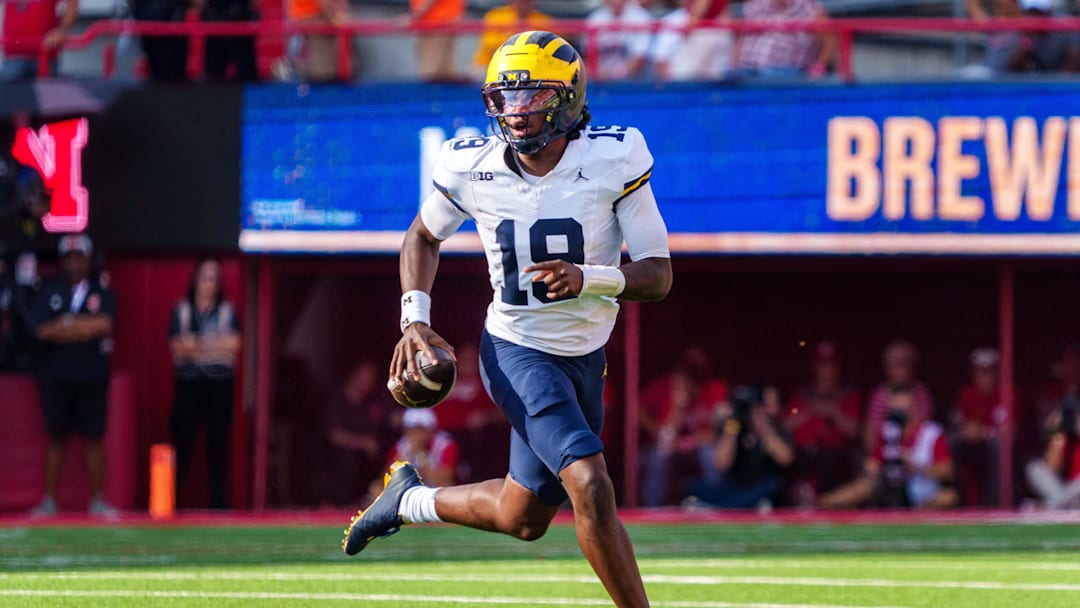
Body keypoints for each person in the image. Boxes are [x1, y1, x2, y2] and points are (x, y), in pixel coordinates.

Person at [343, 31, 672, 608]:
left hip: (584, 356)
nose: (517, 114)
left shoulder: (614, 156)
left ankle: (408, 500)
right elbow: (423, 235)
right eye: (505, 98)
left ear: (568, 98)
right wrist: (413, 318)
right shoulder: (471, 164)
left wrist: (589, 276)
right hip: (517, 349)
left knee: (523, 516)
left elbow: (658, 274)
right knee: (590, 485)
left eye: (532, 97)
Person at [28, 234, 118, 517]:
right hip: (56, 377)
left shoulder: (100, 291)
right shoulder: (50, 290)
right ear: (62, 260)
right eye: (69, 257)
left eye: (79, 257)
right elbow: (41, 330)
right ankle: (50, 501)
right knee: (57, 438)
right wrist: (80, 329)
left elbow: (104, 324)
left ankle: (98, 501)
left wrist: (67, 324)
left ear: (88, 259)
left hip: (92, 376)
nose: (74, 263)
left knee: (94, 438)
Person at [168, 258, 241, 509]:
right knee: (182, 446)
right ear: (195, 280)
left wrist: (195, 344)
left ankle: (219, 507)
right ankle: (171, 503)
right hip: (188, 384)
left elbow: (233, 346)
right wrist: (214, 345)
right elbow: (177, 348)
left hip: (219, 385)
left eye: (213, 278)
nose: (209, 283)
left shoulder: (227, 310)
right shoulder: (182, 309)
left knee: (218, 447)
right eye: (204, 277)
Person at [818, 385, 958, 510]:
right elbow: (872, 464)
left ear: (913, 408)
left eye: (903, 408)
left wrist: (915, 467)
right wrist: (876, 468)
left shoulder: (931, 432)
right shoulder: (888, 432)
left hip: (924, 494)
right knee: (865, 485)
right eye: (895, 409)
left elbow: (947, 471)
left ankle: (917, 514)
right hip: (891, 491)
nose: (899, 413)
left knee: (949, 496)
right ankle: (822, 503)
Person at [638, 344, 728, 506]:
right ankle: (653, 511)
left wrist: (685, 443)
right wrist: (678, 406)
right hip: (667, 447)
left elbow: (716, 433)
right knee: (659, 455)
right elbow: (666, 439)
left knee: (710, 453)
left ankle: (715, 505)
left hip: (697, 446)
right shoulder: (666, 388)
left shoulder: (715, 389)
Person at [684, 385, 794, 509]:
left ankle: (721, 508)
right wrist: (733, 425)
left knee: (773, 486)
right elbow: (722, 463)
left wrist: (764, 429)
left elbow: (786, 459)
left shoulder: (776, 428)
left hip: (759, 489)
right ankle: (734, 507)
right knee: (693, 487)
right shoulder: (733, 426)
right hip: (733, 488)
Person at [782, 340, 860, 504]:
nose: (826, 371)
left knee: (832, 459)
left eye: (830, 365)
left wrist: (834, 411)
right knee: (787, 458)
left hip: (834, 458)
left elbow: (854, 431)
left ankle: (822, 501)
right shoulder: (802, 394)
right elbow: (785, 426)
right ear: (815, 367)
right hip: (802, 455)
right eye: (822, 365)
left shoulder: (847, 395)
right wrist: (808, 412)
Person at [316, 359, 398, 506]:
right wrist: (363, 443)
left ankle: (375, 499)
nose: (366, 383)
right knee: (347, 461)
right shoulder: (337, 400)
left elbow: (391, 418)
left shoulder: (373, 401)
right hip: (337, 453)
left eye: (370, 380)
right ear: (353, 376)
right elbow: (334, 435)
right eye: (362, 378)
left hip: (368, 455)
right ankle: (338, 503)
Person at [951, 347, 1010, 507]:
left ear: (997, 373)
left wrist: (984, 432)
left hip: (996, 449)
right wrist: (969, 431)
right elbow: (961, 425)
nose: (985, 377)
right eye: (981, 372)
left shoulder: (1008, 394)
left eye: (990, 371)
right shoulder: (967, 394)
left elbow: (1010, 430)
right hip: (973, 448)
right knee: (954, 442)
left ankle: (993, 503)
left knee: (999, 445)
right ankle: (958, 500)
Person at [731, 0, 835, 80]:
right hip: (746, 69)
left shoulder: (810, 9)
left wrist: (818, 68)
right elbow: (742, 38)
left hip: (787, 72)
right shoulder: (756, 5)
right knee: (724, 79)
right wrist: (735, 64)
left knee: (771, 78)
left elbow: (830, 40)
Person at [863, 340, 934, 454]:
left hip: (915, 454)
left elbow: (924, 428)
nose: (900, 370)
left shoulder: (921, 392)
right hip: (884, 453)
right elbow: (871, 431)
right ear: (887, 368)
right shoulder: (879, 394)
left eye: (904, 364)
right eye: (895, 364)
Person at [471, 0, 554, 80]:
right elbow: (492, 48)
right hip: (490, 65)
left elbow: (549, 50)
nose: (523, 3)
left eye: (527, 1)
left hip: (530, 68)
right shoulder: (496, 16)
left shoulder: (542, 21)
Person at [0, 0, 79, 82]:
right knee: (12, 93)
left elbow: (72, 3)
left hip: (46, 56)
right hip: (13, 56)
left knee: (47, 93)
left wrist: (62, 31)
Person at [1025, 397, 1080, 509]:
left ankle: (1045, 507)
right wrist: (1058, 432)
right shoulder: (1063, 437)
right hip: (1068, 491)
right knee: (1034, 468)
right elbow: (1051, 468)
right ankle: (1059, 504)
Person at [586, 0, 655, 80]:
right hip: (600, 82)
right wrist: (598, 74)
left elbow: (639, 62)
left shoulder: (642, 18)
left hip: (634, 82)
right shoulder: (595, 18)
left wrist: (612, 75)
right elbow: (587, 59)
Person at [193, 0, 258, 82]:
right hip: (215, 33)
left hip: (241, 35)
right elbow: (199, 6)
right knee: (213, 79)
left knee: (246, 77)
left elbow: (256, 6)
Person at [285, 0, 347, 82]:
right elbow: (324, 3)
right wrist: (332, 18)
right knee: (322, 50)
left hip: (301, 16)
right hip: (313, 16)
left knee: (312, 50)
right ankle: (321, 77)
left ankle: (312, 76)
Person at [407, 0, 466, 82]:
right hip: (445, 22)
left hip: (434, 24)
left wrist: (412, 17)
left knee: (431, 74)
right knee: (446, 75)